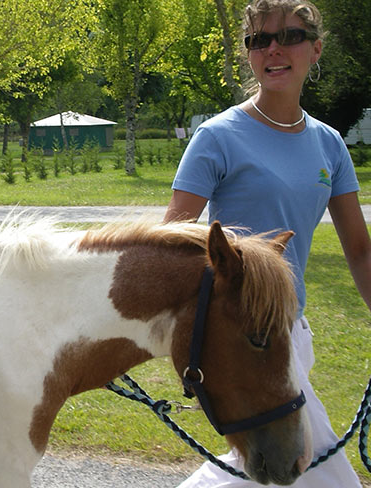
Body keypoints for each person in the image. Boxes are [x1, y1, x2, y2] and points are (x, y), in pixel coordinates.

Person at [164, 0, 371, 486]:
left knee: (268, 469)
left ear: (316, 49)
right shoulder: (216, 137)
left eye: (290, 37)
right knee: (314, 469)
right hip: (242, 337)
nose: (273, 49)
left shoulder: (329, 144)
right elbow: (174, 243)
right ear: (249, 54)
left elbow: (360, 253)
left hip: (290, 332)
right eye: (259, 40)